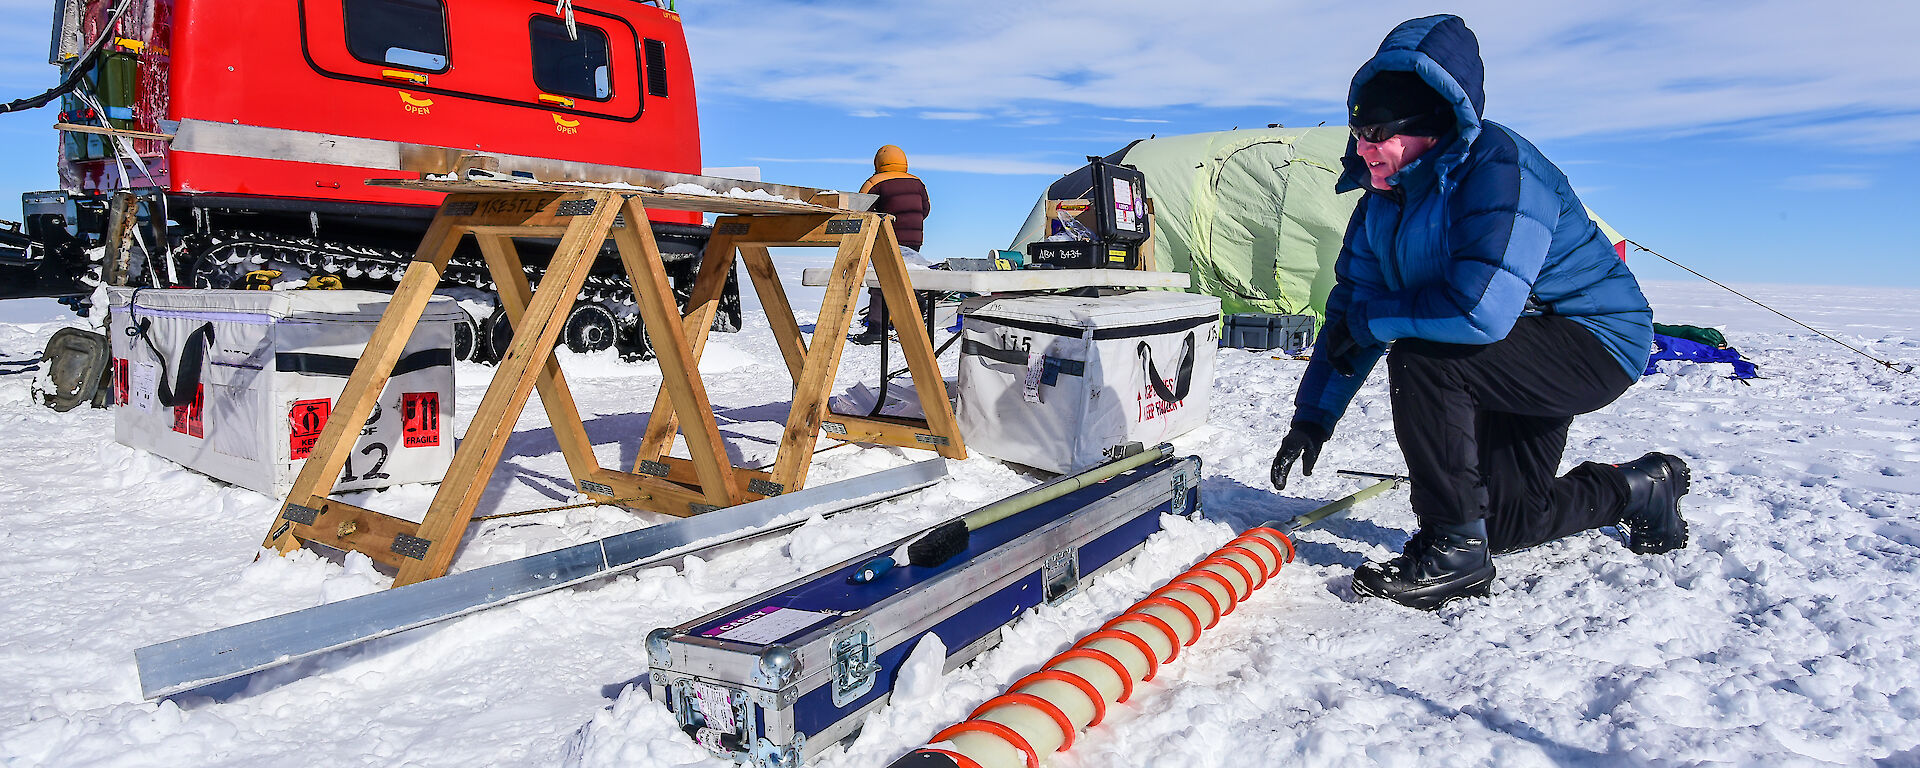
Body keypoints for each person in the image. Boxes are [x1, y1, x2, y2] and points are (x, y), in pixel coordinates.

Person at [1269, 15, 1691, 610]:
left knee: (1425, 360)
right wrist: (1313, 417)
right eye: (1358, 131)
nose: (1363, 149)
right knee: (1515, 521)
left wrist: (1372, 324)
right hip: (1511, 348)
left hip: (1593, 341)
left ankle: (1453, 550)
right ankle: (1644, 487)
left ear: (1430, 127)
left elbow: (1479, 313)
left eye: (1378, 133)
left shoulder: (1500, 168)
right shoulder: (1381, 205)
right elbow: (1351, 313)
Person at [850, 144, 931, 345]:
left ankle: (877, 327)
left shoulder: (875, 181)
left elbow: (859, 210)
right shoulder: (917, 182)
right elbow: (926, 209)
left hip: (887, 236)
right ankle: (919, 304)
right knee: (904, 275)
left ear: (878, 162)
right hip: (914, 238)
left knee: (880, 279)